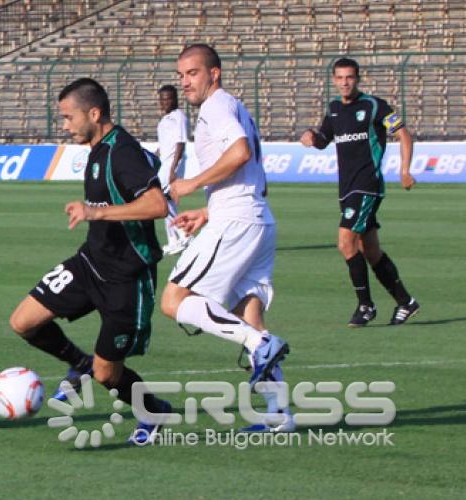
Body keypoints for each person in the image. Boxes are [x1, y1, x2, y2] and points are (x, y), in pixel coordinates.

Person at [9, 78, 173, 445]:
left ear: (94, 113)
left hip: (126, 277)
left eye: (69, 117)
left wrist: (96, 213)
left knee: (107, 375)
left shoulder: (122, 151)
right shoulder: (100, 148)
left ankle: (153, 411)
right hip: (90, 261)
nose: (65, 126)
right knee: (23, 321)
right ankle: (79, 365)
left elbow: (157, 205)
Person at [162, 44, 293, 432]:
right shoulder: (233, 105)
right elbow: (248, 168)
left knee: (173, 300)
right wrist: (207, 211)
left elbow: (239, 152)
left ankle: (259, 347)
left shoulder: (216, 106)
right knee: (248, 314)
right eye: (182, 74)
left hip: (237, 221)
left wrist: (192, 183)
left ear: (214, 74)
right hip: (254, 219)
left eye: (193, 73)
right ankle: (278, 414)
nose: (185, 81)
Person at [300, 57, 419, 327]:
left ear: (358, 79)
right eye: (340, 78)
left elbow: (403, 134)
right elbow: (322, 140)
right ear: (333, 80)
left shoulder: (374, 105)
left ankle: (365, 306)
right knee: (371, 250)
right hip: (347, 188)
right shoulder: (333, 110)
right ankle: (406, 302)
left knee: (345, 242)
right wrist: (310, 137)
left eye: (349, 77)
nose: (345, 83)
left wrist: (404, 170)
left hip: (367, 186)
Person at [155, 84, 192, 255]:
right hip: (164, 164)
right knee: (165, 201)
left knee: (162, 199)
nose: (165, 102)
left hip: (171, 166)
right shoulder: (164, 120)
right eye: (162, 99)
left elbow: (180, 144)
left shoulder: (179, 117)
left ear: (175, 99)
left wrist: (173, 169)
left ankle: (183, 234)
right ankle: (175, 239)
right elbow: (164, 146)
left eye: (168, 99)